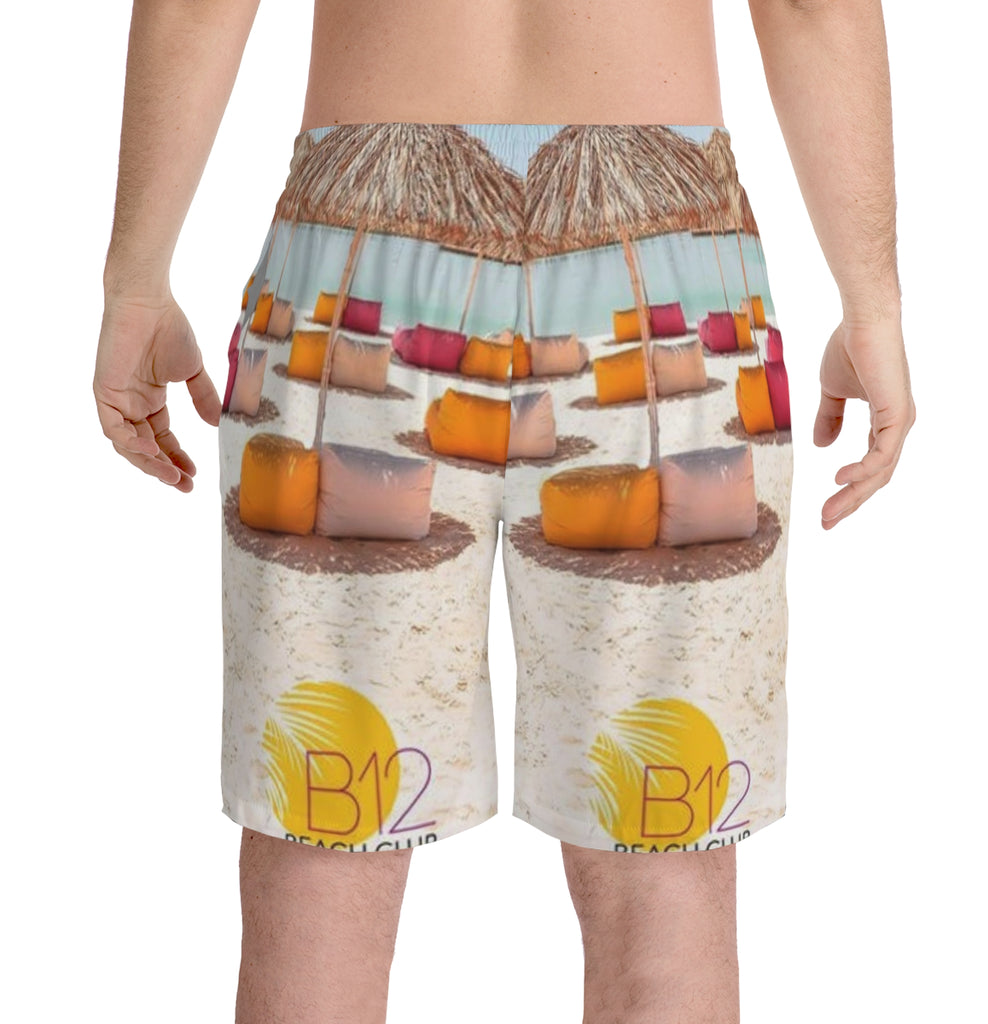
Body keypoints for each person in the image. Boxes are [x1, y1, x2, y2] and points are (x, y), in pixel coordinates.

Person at [93, 0, 916, 1021]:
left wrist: (135, 283)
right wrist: (873, 304)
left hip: (359, 242)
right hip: (669, 252)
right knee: (664, 842)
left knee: (326, 826)